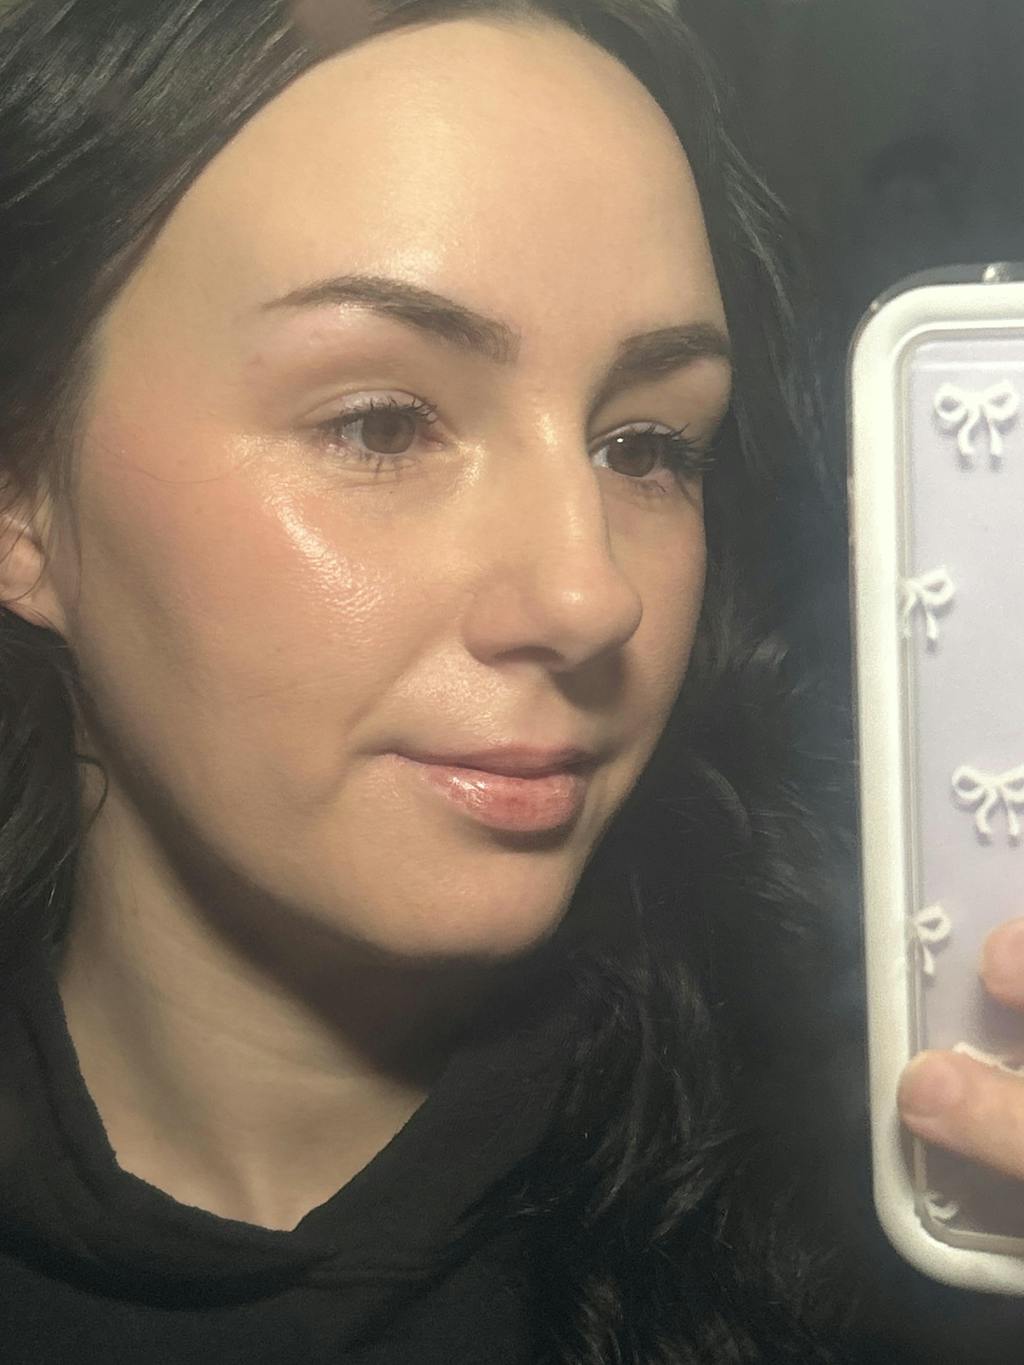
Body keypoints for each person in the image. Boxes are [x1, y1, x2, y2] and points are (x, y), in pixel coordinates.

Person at [1, 0, 1022, 1361]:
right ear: (22, 492)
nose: (591, 595)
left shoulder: (894, 1194)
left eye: (648, 445)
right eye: (382, 424)